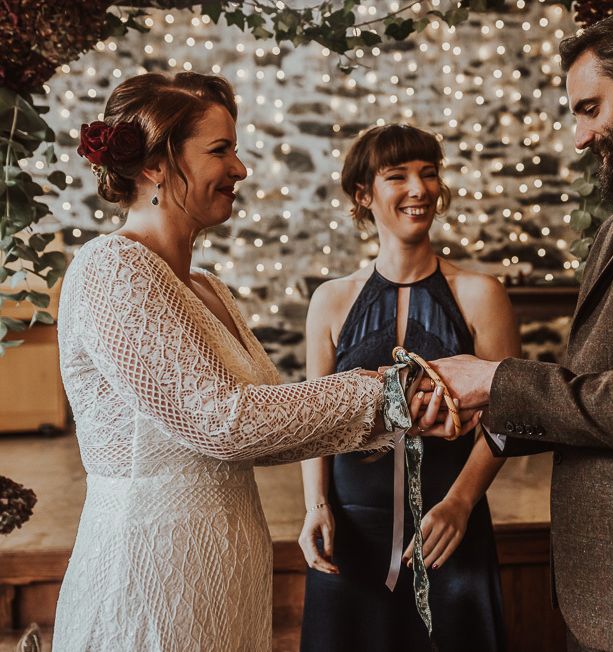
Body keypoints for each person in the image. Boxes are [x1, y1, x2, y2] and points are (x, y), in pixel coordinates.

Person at [53, 73, 473, 652]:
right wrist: (387, 394)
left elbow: (275, 424)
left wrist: (405, 415)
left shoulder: (207, 289)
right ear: (155, 165)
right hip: (150, 571)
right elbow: (223, 422)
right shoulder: (111, 269)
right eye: (220, 150)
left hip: (227, 569)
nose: (240, 168)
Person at [420, 9, 613, 651]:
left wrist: (497, 378)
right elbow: (592, 387)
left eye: (590, 108)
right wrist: (489, 410)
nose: (582, 137)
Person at [298, 124, 520, 651]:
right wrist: (315, 506)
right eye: (397, 176)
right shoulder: (330, 301)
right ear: (363, 194)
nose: (419, 189)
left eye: (429, 173)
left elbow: (508, 416)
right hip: (350, 532)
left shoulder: (480, 294)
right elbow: (315, 422)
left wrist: (461, 503)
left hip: (449, 529)